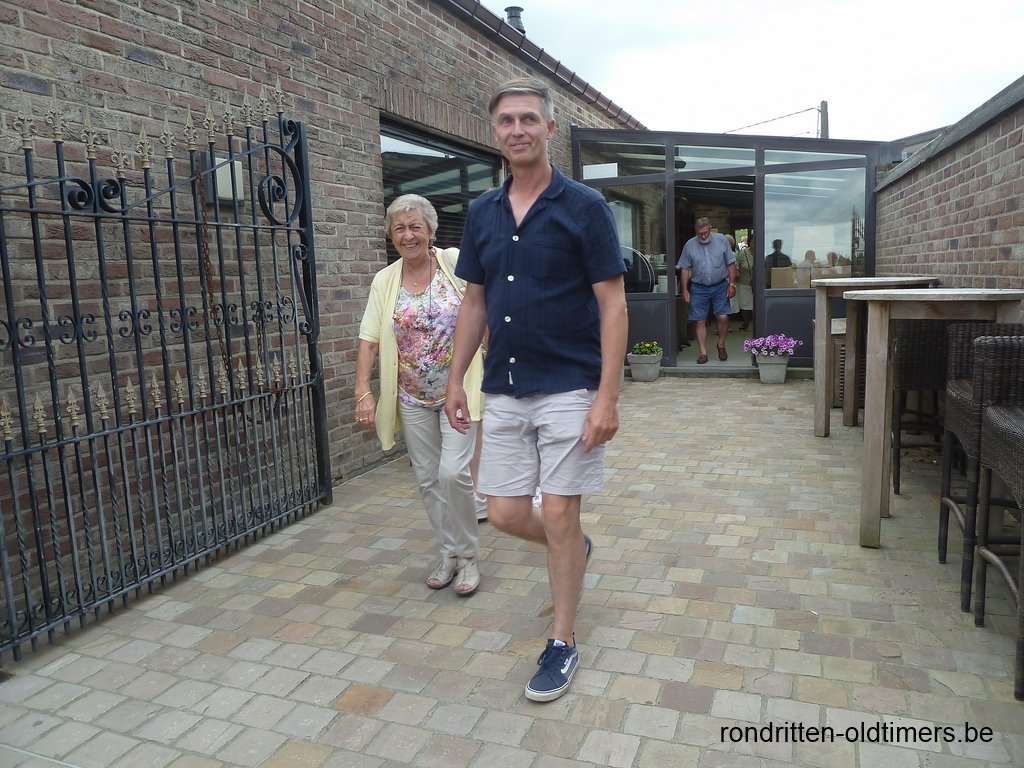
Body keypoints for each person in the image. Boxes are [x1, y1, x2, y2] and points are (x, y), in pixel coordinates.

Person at [443, 77, 628, 703]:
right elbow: (475, 301)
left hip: (569, 385)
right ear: (494, 132)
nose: (517, 129)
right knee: (503, 513)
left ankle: (562, 640)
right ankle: (572, 549)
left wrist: (607, 397)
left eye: (528, 119)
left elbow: (613, 305)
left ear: (550, 127)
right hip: (505, 385)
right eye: (506, 120)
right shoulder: (481, 213)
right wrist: (456, 378)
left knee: (560, 510)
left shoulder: (585, 207)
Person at [355, 193, 486, 596]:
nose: (407, 235)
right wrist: (363, 391)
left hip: (459, 391)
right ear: (391, 235)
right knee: (428, 480)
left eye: (415, 226)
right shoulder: (384, 280)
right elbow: (369, 339)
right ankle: (448, 554)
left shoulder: (454, 263)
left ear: (430, 230)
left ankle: (468, 557)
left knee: (453, 474)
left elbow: (483, 307)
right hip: (411, 397)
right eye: (399, 228)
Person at [677, 217, 738, 364]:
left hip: (720, 285)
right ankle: (703, 353)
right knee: (699, 320)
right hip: (699, 287)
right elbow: (685, 268)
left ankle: (721, 344)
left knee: (723, 317)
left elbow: (730, 263)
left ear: (710, 229)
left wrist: (732, 284)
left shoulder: (721, 240)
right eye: (700, 234)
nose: (703, 236)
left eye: (705, 232)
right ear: (696, 231)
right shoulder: (689, 245)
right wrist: (684, 289)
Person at [735, 235, 755, 330]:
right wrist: (737, 271)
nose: (754, 244)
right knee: (745, 304)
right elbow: (735, 264)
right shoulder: (743, 253)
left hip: (757, 284)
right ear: (749, 243)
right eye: (753, 242)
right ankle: (746, 323)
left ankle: (758, 322)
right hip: (744, 282)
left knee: (757, 304)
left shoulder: (761, 252)